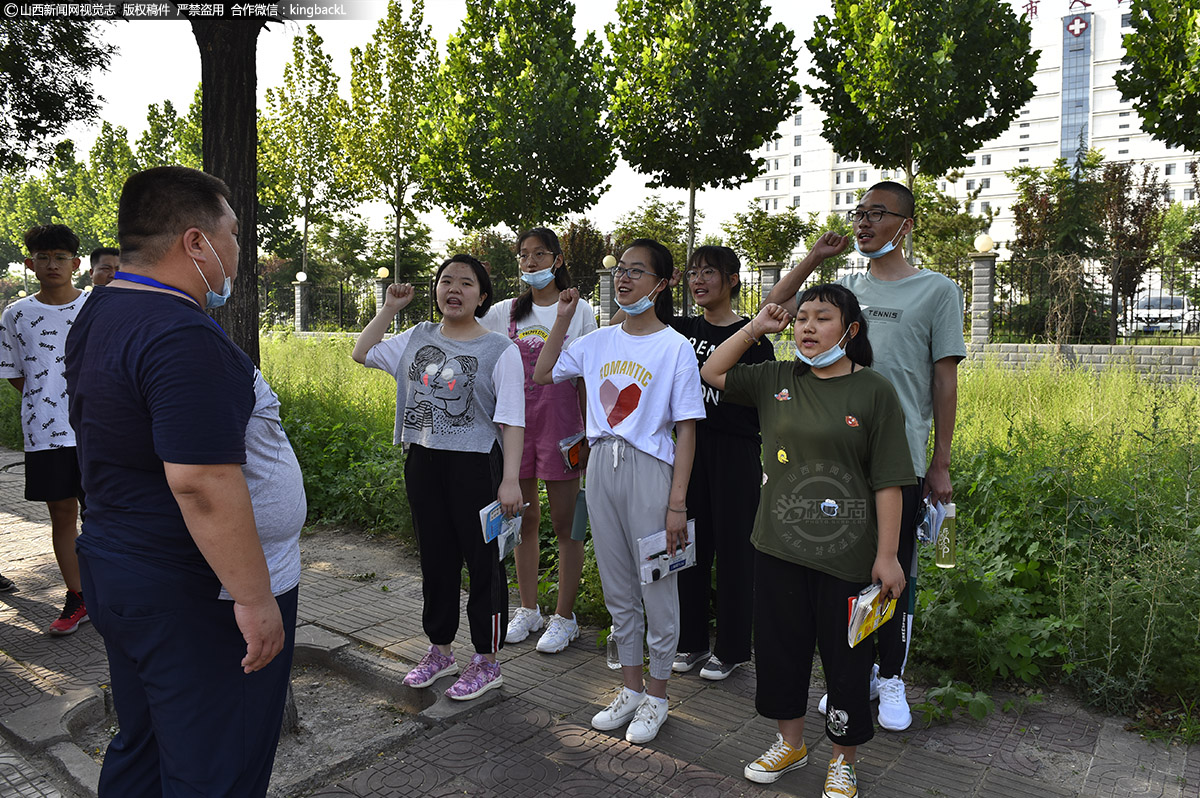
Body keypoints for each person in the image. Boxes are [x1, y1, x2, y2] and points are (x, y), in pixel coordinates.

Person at [64, 166, 306, 797]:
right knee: (215, 768)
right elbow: (199, 480)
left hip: (125, 570)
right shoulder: (181, 335)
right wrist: (254, 598)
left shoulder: (101, 311)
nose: (237, 252)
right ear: (197, 243)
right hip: (199, 593)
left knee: (144, 746)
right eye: (232, 235)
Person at [762, 181, 966, 731]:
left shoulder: (937, 290)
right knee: (837, 576)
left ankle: (890, 676)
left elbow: (944, 381)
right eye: (860, 212)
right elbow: (772, 310)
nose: (864, 221)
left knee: (893, 571)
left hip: (896, 461)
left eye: (879, 213)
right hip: (831, 461)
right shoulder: (844, 286)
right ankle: (850, 678)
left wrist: (940, 461)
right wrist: (814, 258)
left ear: (907, 224)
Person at [701, 284, 914, 796]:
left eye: (822, 318)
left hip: (847, 556)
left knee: (846, 660)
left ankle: (843, 759)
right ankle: (791, 744)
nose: (807, 327)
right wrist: (755, 328)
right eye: (801, 319)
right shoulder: (776, 376)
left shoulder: (874, 391)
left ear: (851, 330)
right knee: (780, 651)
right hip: (777, 547)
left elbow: (889, 480)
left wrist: (888, 556)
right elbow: (712, 372)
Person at [533, 239, 705, 745]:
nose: (625, 279)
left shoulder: (674, 346)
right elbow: (544, 373)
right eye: (620, 270)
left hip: (651, 470)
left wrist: (678, 503)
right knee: (617, 586)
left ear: (663, 283)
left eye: (637, 270)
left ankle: (658, 695)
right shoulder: (597, 342)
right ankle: (629, 688)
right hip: (599, 468)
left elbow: (688, 430)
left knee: (658, 585)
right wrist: (563, 317)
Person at [352, 255, 524, 701]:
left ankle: (487, 661)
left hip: (477, 466)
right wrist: (389, 308)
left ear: (482, 296)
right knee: (436, 560)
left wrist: (510, 481)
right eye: (446, 281)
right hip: (424, 461)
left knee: (484, 565)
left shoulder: (500, 350)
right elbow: (363, 352)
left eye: (466, 283)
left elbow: (512, 421)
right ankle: (440, 649)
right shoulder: (417, 337)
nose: (454, 289)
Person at [480, 228, 596, 654]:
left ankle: (565, 617)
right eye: (523, 256)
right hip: (515, 427)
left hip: (563, 427)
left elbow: (585, 375)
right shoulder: (504, 312)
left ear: (558, 259)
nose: (529, 262)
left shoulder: (579, 310)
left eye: (539, 254)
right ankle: (528, 609)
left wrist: (588, 433)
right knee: (522, 519)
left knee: (567, 525)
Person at [664, 246, 773, 680]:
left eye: (709, 272)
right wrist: (660, 286)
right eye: (692, 273)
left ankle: (731, 649)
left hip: (735, 450)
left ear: (732, 279)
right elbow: (626, 323)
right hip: (688, 448)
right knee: (687, 546)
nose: (698, 280)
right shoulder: (680, 329)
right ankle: (690, 642)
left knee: (734, 552)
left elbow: (761, 399)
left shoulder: (753, 337)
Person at [0, 224, 89, 635]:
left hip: (97, 429)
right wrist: (47, 396)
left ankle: (117, 592)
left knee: (106, 512)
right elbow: (18, 375)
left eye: (60, 257)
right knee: (62, 514)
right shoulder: (16, 315)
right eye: (43, 257)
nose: (51, 265)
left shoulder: (96, 307)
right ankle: (78, 596)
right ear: (29, 263)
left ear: (76, 263)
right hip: (47, 430)